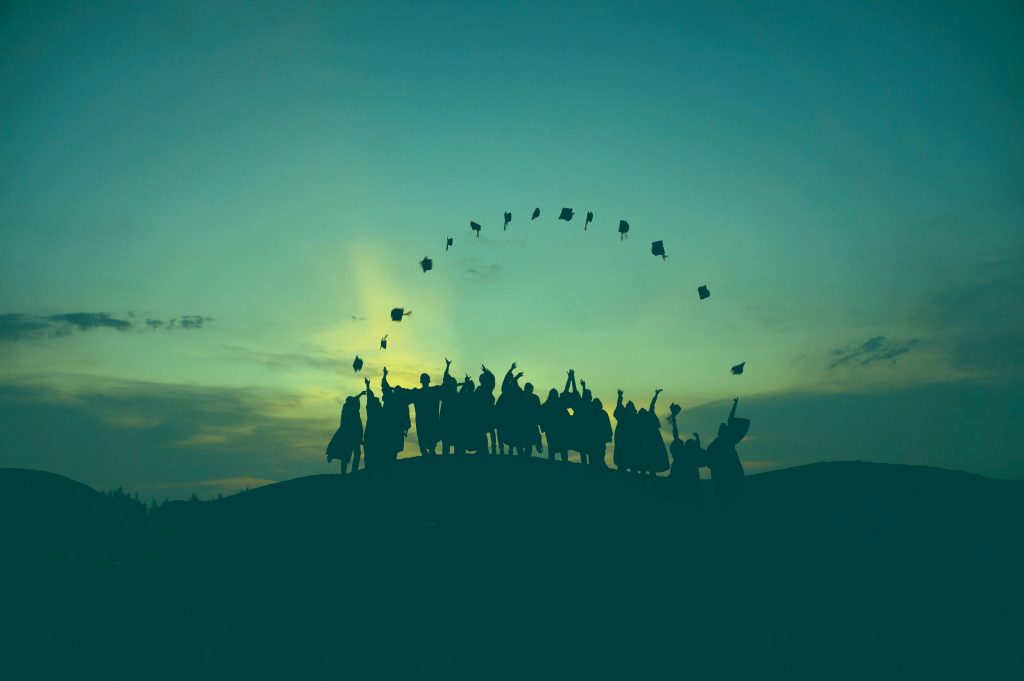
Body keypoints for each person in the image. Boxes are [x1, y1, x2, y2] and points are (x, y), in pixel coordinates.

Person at [706, 398, 747, 510]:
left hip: (727, 473)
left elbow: (730, 420)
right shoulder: (725, 442)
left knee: (728, 497)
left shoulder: (723, 442)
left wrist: (735, 405)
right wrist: (734, 405)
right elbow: (730, 420)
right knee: (727, 498)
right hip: (725, 473)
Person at [408, 360, 448, 456]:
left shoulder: (418, 393)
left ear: (421, 381)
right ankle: (429, 453)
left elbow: (404, 393)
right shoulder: (433, 391)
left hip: (425, 421)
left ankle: (427, 453)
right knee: (429, 440)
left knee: (425, 439)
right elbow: (445, 385)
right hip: (429, 420)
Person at [667, 403, 702, 503]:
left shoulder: (684, 456)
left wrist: (674, 418)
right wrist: (673, 419)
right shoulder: (684, 455)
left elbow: (675, 434)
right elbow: (675, 434)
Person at [326, 391, 365, 474]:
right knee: (348, 454)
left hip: (353, 436)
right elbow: (354, 400)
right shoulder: (349, 411)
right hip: (350, 436)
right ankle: (349, 472)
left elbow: (354, 399)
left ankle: (350, 471)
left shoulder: (348, 409)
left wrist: (360, 394)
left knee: (351, 454)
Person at [637, 389, 670, 478]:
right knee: (646, 467)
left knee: (650, 467)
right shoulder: (641, 426)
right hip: (646, 448)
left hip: (651, 447)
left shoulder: (648, 422)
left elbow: (652, 406)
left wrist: (656, 395)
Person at [613, 390, 638, 474]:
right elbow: (619, 407)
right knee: (623, 463)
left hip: (630, 442)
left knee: (631, 462)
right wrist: (619, 397)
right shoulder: (624, 415)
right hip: (623, 442)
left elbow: (619, 407)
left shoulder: (633, 418)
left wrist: (620, 397)